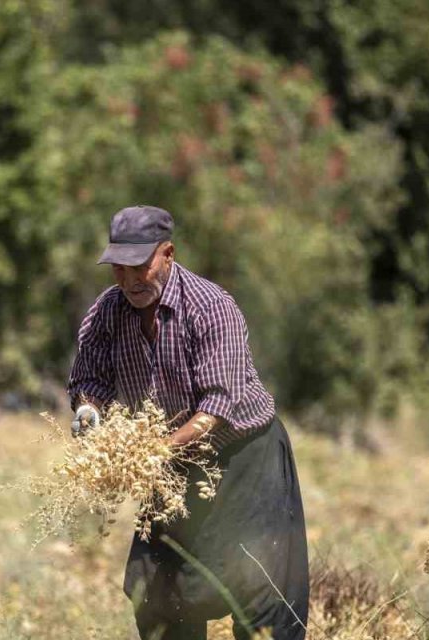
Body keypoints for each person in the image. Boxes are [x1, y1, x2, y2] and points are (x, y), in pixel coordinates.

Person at [68, 205, 309, 640]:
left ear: (168, 254)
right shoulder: (106, 312)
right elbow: (89, 380)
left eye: (139, 266)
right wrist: (89, 412)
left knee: (260, 591)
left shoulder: (211, 307)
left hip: (243, 458)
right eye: (118, 269)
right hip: (172, 463)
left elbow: (217, 406)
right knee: (159, 593)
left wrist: (156, 452)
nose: (129, 280)